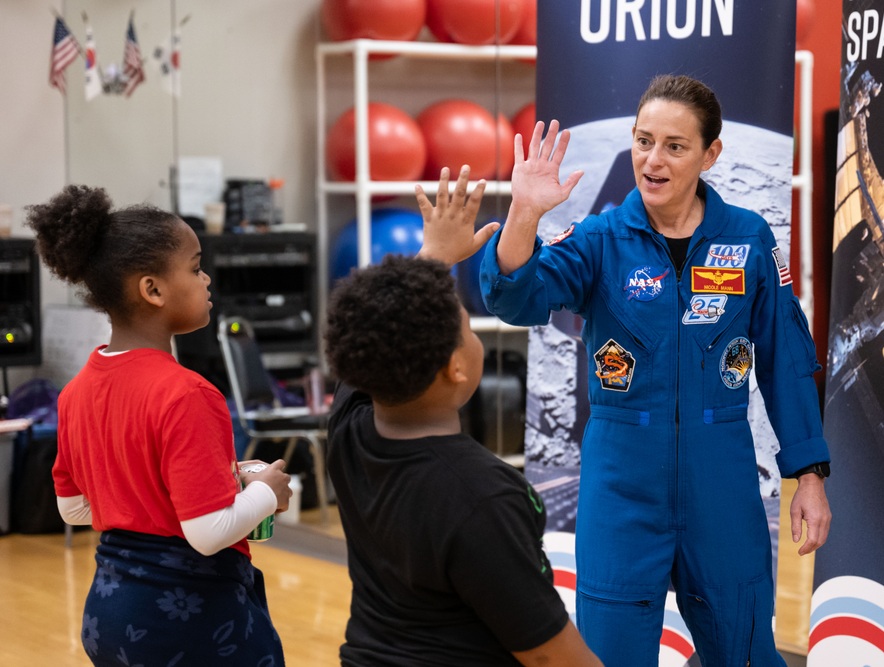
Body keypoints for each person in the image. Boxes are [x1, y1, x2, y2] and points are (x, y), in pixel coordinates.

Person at [480, 75, 832, 667]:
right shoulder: (600, 239)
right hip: (621, 483)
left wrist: (810, 476)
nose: (653, 159)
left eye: (675, 145)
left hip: (721, 480)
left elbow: (785, 359)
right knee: (611, 653)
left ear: (710, 154)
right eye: (643, 141)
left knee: (743, 651)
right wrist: (523, 213)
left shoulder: (747, 238)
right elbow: (515, 297)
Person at [324, 166, 604, 667]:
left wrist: (435, 255)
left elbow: (371, 334)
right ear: (456, 366)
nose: (475, 337)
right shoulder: (482, 494)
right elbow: (548, 655)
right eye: (469, 330)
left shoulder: (348, 425)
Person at [29, 185, 293, 666]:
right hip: (188, 624)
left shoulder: (74, 393)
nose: (207, 279)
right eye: (195, 268)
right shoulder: (188, 394)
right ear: (151, 289)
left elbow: (74, 509)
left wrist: (163, 494)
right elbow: (209, 533)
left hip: (109, 616)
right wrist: (267, 492)